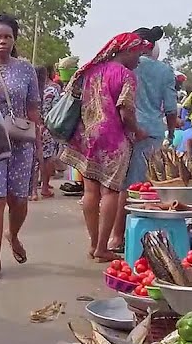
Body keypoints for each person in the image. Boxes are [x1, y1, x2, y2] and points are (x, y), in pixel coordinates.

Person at [59, 32, 149, 261]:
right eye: (139, 53)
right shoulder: (126, 75)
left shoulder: (91, 70)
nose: (140, 59)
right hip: (113, 140)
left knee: (90, 191)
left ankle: (93, 244)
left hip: (86, 135)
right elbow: (125, 110)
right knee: (110, 191)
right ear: (127, 51)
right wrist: (137, 131)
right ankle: (102, 247)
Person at [0, 14, 40, 278]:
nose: (2, 41)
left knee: (19, 199)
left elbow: (33, 108)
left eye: (7, 37)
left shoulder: (25, 69)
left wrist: (39, 145)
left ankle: (13, 235)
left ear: (14, 39)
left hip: (20, 142)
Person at [110, 26, 178, 251]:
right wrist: (171, 132)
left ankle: (115, 235)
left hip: (121, 130)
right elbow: (170, 108)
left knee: (120, 185)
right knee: (139, 188)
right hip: (150, 133)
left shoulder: (122, 66)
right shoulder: (164, 71)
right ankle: (119, 236)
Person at [34, 63, 62, 199]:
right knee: (47, 158)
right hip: (47, 128)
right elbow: (57, 110)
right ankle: (45, 187)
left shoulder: (30, 89)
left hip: (31, 127)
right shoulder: (52, 90)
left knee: (33, 159)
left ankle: (32, 191)